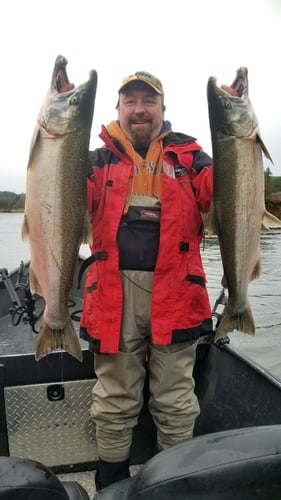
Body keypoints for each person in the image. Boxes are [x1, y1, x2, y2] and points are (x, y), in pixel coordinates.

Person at [80, 71, 213, 491]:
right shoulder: (92, 162)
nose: (140, 109)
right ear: (118, 110)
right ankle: (111, 483)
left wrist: (241, 143)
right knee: (115, 399)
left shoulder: (192, 159)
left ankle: (172, 484)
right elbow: (61, 206)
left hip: (178, 294)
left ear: (162, 110)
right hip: (112, 295)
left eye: (149, 101)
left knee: (175, 400)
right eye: (130, 101)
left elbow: (223, 193)